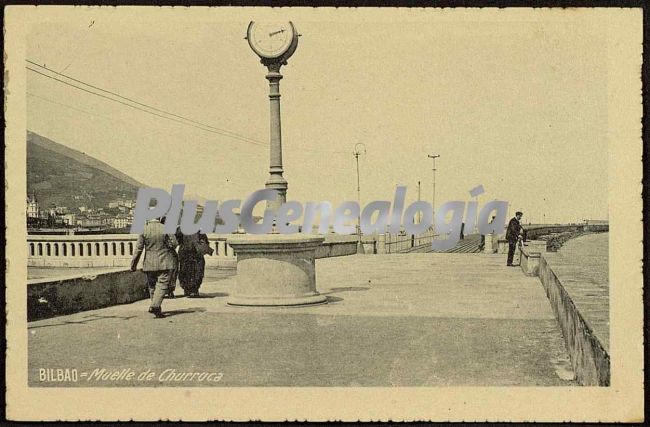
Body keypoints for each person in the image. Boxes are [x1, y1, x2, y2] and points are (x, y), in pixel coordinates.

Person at [130, 216, 179, 318]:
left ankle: (156, 307)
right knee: (162, 284)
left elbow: (138, 249)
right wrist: (166, 246)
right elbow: (174, 243)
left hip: (149, 263)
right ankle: (155, 306)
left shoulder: (144, 229)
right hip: (165, 261)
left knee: (152, 286)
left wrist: (133, 265)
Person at [178, 231, 213, 297]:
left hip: (186, 254)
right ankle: (194, 290)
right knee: (197, 272)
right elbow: (205, 241)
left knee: (185, 272)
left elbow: (177, 240)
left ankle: (187, 289)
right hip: (195, 255)